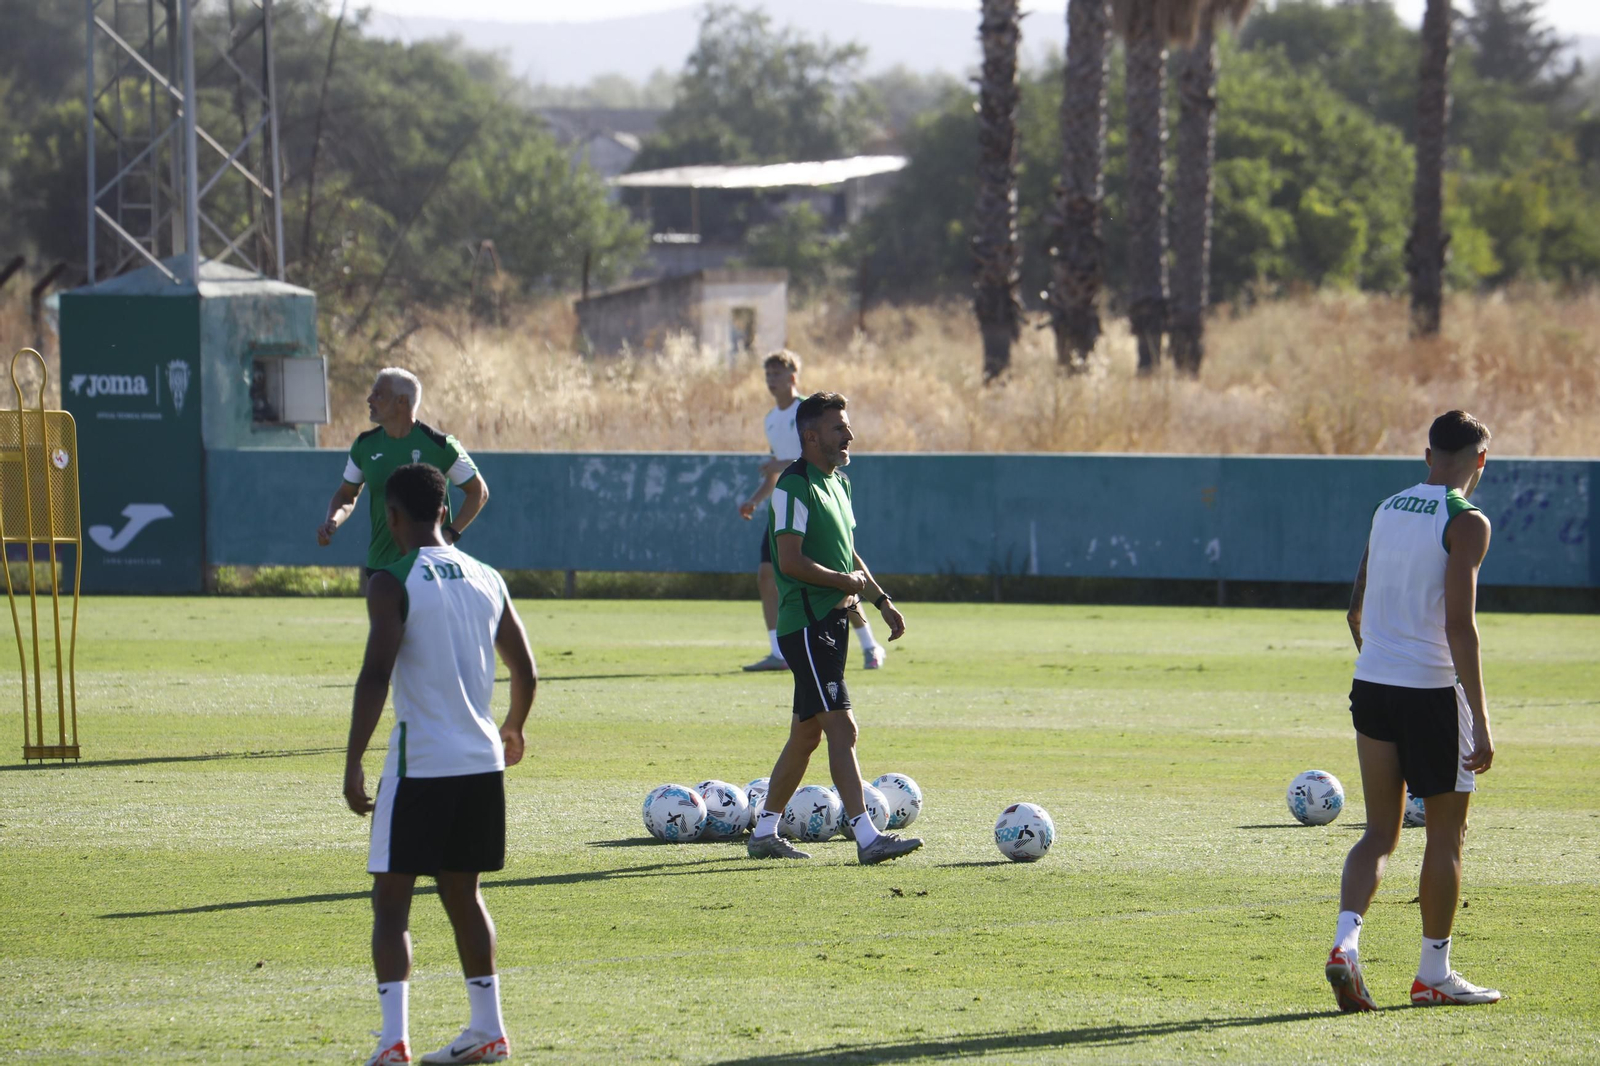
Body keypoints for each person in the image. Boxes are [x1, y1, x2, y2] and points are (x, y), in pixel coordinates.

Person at [343, 464, 537, 1065]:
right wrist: (513, 725)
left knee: (391, 904)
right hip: (481, 762)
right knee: (464, 896)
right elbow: (525, 668)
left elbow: (376, 674)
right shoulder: (486, 576)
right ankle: (489, 1029)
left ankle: (393, 1041)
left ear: (392, 518)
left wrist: (352, 761)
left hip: (420, 764)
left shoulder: (390, 580)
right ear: (447, 512)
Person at [1327, 410, 1501, 1012]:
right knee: (1447, 836)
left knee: (1379, 833)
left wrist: (1379, 662)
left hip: (1370, 684)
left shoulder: (1387, 508)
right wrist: (1478, 717)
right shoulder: (1468, 521)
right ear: (1481, 460)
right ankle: (1433, 973)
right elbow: (1461, 627)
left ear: (1426, 455)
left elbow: (1354, 609)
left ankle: (1346, 942)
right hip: (1431, 692)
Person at [746, 392, 919, 864]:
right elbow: (790, 560)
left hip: (832, 622)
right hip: (805, 625)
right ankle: (867, 837)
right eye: (839, 427)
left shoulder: (838, 485)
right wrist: (844, 582)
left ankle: (764, 832)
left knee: (806, 736)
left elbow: (849, 553)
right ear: (811, 435)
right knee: (843, 728)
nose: (849, 435)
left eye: (847, 426)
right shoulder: (793, 486)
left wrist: (881, 600)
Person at [738, 351, 886, 672]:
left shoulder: (809, 411)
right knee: (767, 574)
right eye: (768, 374)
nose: (771, 379)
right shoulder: (770, 419)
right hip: (786, 506)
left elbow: (806, 462)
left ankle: (869, 645)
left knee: (841, 579)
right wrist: (755, 499)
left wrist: (778, 465)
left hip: (811, 501)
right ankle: (778, 651)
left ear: (793, 376)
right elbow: (780, 474)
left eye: (777, 373)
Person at [318, 368, 490, 578]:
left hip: (430, 567)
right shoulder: (364, 445)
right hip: (381, 565)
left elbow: (478, 492)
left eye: (378, 394)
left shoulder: (441, 445)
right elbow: (347, 495)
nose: (369, 399)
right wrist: (332, 521)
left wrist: (451, 534)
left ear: (401, 401)